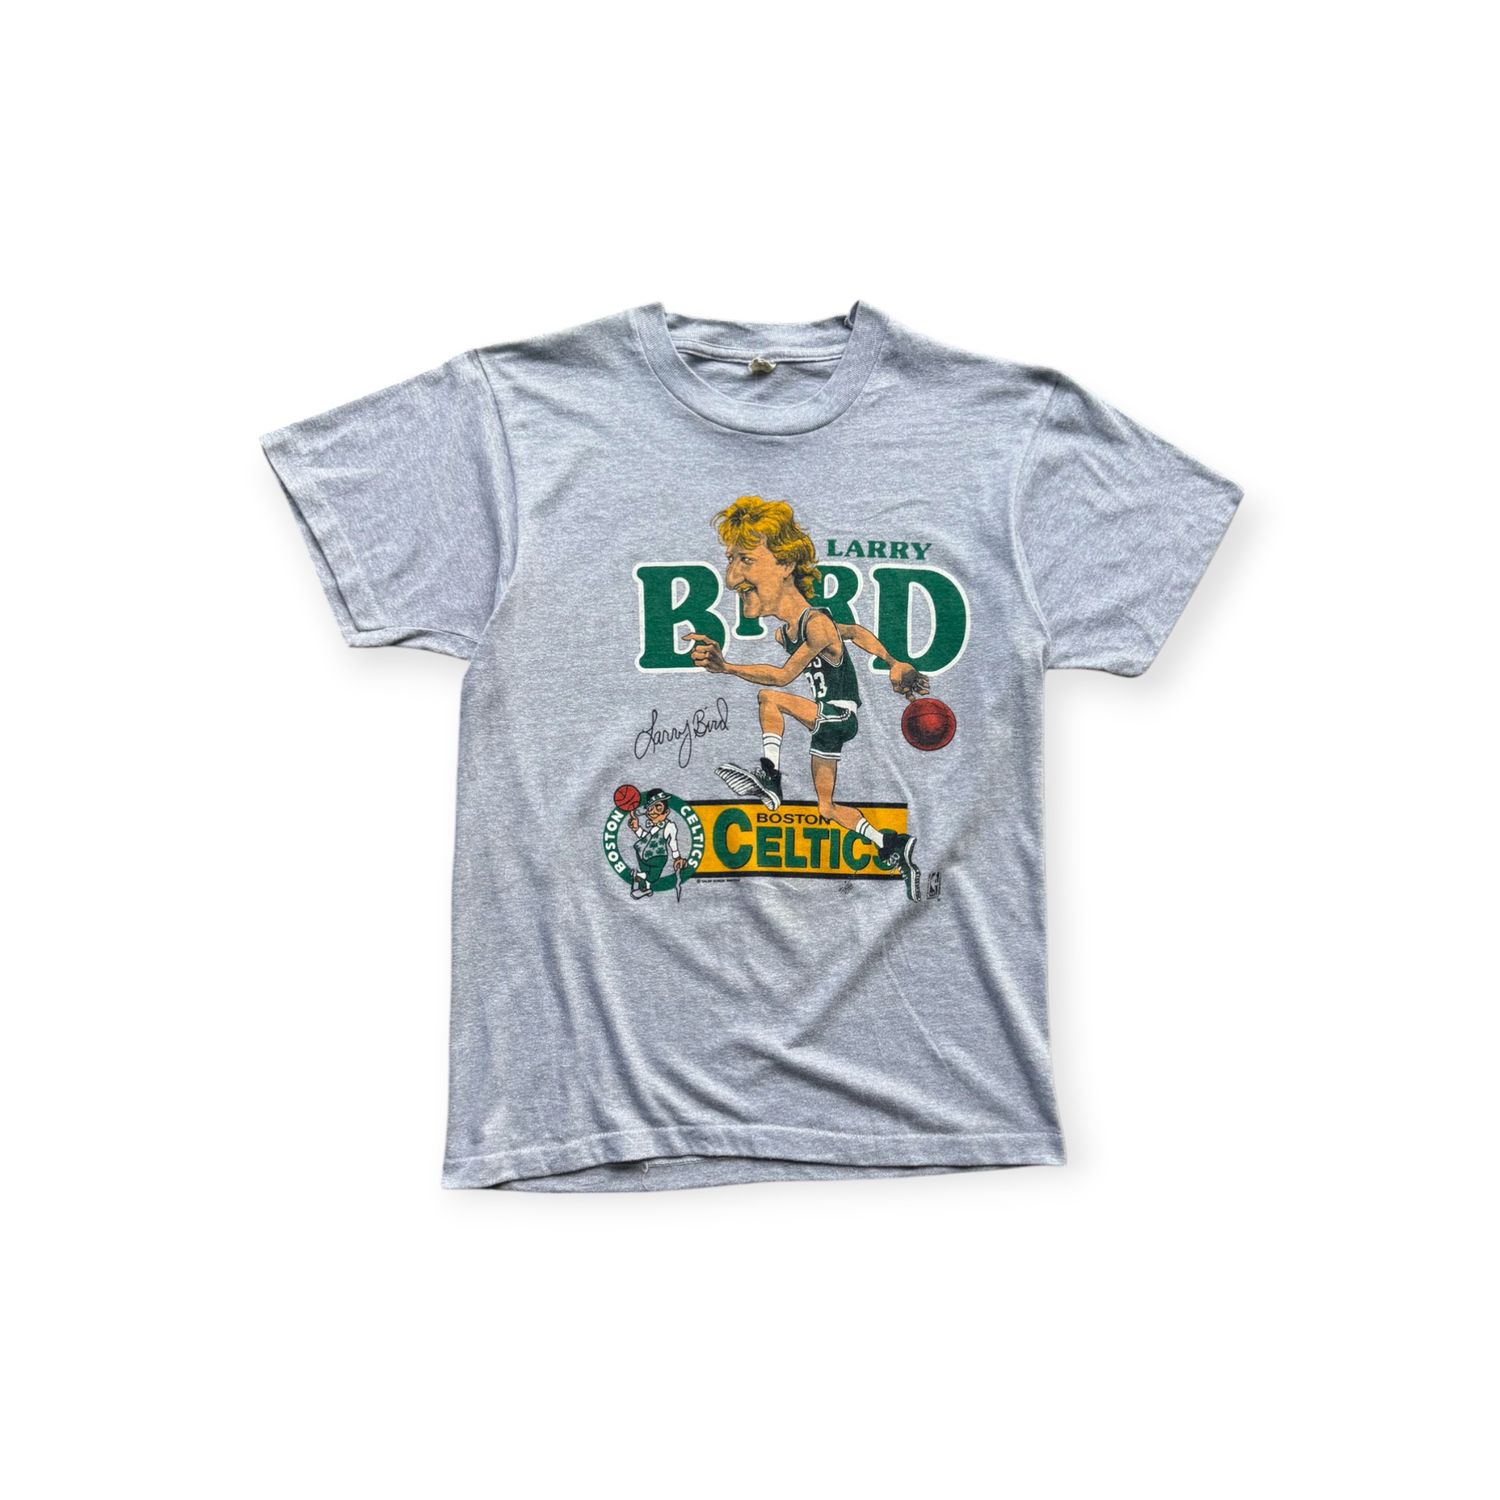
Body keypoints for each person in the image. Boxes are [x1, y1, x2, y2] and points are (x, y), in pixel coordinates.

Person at [684, 496, 926, 900]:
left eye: (745, 560)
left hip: (838, 715)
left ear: (786, 564)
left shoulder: (815, 624)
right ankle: (890, 844)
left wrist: (727, 667)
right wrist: (891, 661)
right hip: (827, 724)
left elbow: (783, 676)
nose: (730, 578)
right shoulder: (792, 629)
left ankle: (770, 776)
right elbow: (855, 632)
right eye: (731, 561)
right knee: (826, 809)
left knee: (771, 697)